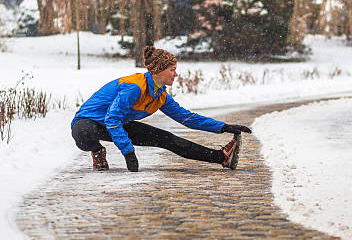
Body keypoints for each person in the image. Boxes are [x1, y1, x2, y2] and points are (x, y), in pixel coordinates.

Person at [71, 45, 252, 172]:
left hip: (115, 124)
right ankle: (97, 150)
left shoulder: (160, 95)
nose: (176, 74)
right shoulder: (134, 87)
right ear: (158, 71)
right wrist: (128, 152)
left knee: (167, 139)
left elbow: (187, 118)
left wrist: (223, 127)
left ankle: (222, 157)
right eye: (172, 69)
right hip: (88, 122)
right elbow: (112, 119)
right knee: (85, 134)